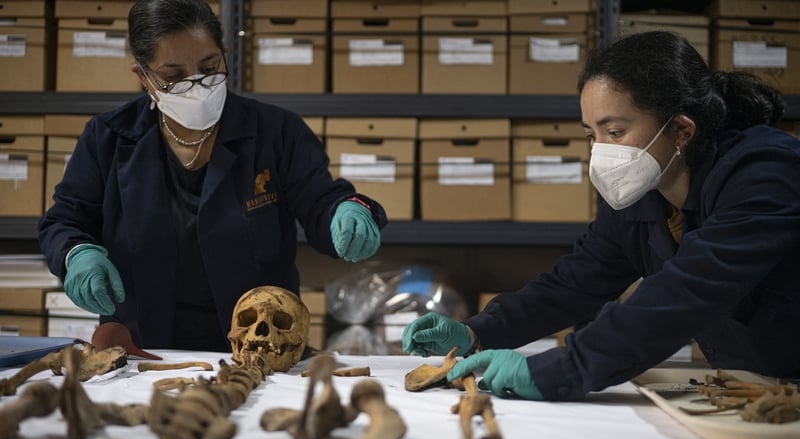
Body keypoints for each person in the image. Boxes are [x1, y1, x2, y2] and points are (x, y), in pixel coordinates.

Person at [402, 31, 800, 401]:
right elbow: (573, 284)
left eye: (616, 132)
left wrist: (562, 369)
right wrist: (477, 332)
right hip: (755, 392)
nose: (601, 152)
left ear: (681, 130)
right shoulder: (645, 190)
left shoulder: (764, 173)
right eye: (592, 135)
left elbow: (686, 292)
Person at [38, 0, 387, 354]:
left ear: (224, 54)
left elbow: (321, 202)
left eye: (209, 67)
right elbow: (64, 220)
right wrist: (76, 254)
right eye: (174, 76)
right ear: (143, 77)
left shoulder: (276, 131)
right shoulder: (108, 137)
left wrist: (346, 212)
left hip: (261, 346)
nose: (197, 86)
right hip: (142, 349)